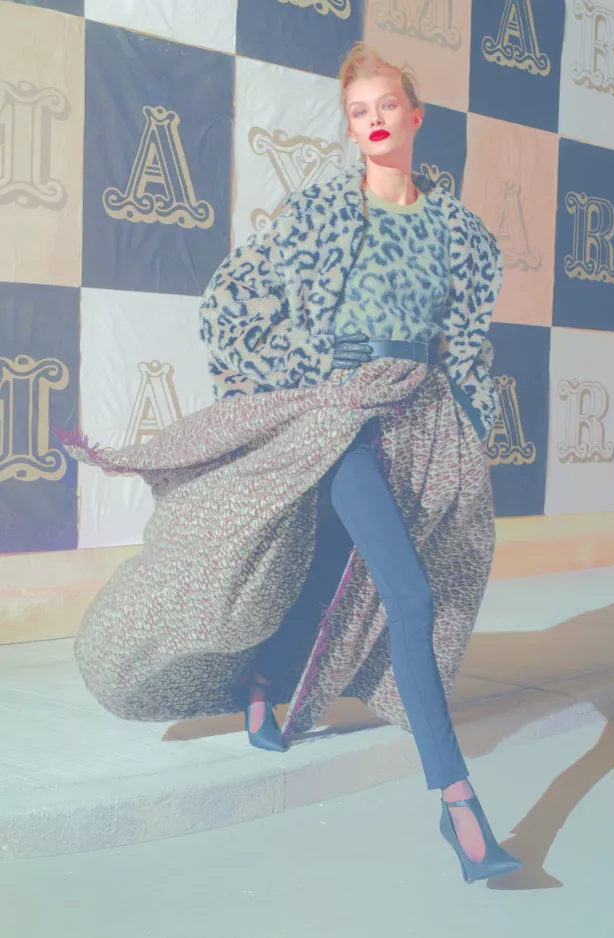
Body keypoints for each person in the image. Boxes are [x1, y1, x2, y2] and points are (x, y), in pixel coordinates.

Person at [55, 43, 521, 885]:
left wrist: (468, 428)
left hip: (419, 423)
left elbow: (467, 348)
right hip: (340, 418)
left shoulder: (461, 233)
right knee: (408, 593)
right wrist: (307, 383)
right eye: (358, 112)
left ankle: (266, 682)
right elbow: (231, 302)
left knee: (331, 567)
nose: (374, 120)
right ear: (350, 127)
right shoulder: (321, 213)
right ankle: (458, 804)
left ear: (416, 117)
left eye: (387, 106)